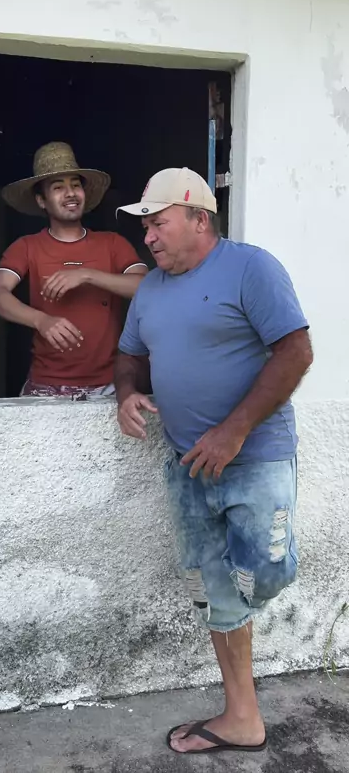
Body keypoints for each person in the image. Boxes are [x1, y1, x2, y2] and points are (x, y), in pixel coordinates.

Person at [115, 167, 313, 756]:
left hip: (255, 459)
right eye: (145, 226)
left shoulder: (251, 268)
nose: (148, 236)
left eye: (158, 223)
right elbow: (129, 356)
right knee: (215, 591)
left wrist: (233, 431)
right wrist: (126, 394)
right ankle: (242, 719)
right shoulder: (151, 289)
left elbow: (296, 352)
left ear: (199, 219)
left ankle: (248, 605)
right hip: (187, 466)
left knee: (266, 572)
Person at [0, 142, 147, 399]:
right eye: (58, 187)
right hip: (45, 386)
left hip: (108, 387)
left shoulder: (112, 244)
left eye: (75, 185)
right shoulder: (27, 247)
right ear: (42, 201)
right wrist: (41, 320)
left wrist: (87, 274)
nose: (70, 193)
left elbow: (147, 287)